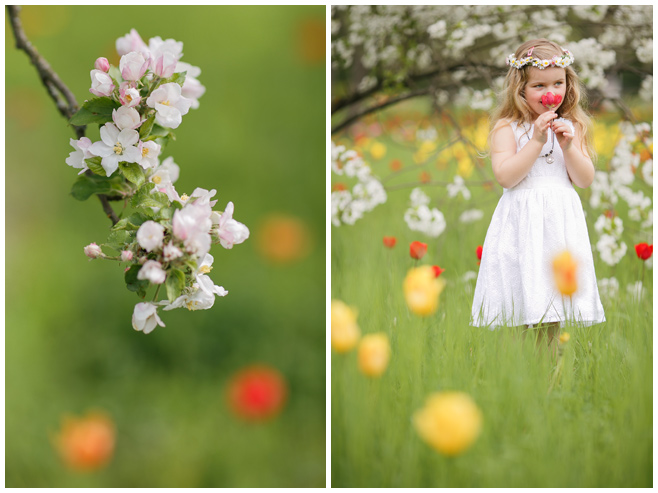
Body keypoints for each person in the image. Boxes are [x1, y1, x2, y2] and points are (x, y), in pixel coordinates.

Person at [470, 39, 605, 351]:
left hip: (559, 227)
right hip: (522, 226)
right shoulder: (508, 127)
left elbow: (584, 180)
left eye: (558, 83)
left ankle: (551, 377)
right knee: (522, 304)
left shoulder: (573, 126)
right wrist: (536, 140)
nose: (551, 93)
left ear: (568, 84)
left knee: (553, 304)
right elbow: (506, 177)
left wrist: (568, 146)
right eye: (539, 85)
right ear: (520, 89)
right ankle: (521, 373)